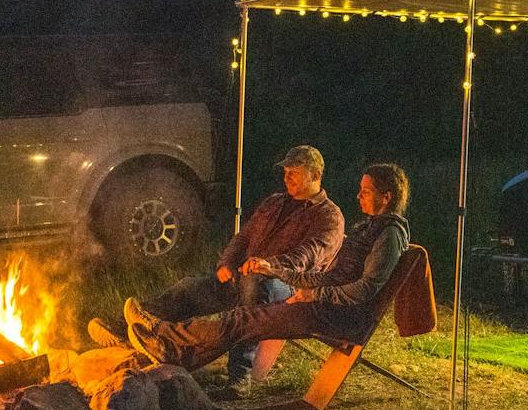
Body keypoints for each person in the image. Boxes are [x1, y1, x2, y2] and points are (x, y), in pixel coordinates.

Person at [124, 162, 410, 377]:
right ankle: (168, 347)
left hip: (336, 316)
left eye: (366, 191)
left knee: (241, 319)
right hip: (319, 303)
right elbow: (326, 276)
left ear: (386, 197)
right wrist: (279, 272)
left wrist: (312, 294)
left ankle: (167, 339)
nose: (359, 196)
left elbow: (365, 289)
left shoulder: (388, 234)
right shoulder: (367, 227)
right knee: (232, 313)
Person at [92, 143, 344, 387]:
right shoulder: (275, 203)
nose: (287, 178)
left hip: (289, 287)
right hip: (246, 273)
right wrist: (227, 262)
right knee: (190, 288)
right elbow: (243, 237)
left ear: (316, 175)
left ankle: (240, 375)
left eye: (295, 173)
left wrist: (268, 265)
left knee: (255, 287)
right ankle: (134, 330)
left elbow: (307, 256)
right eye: (286, 173)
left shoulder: (328, 216)